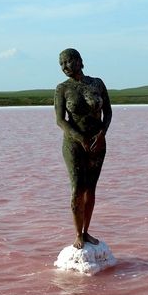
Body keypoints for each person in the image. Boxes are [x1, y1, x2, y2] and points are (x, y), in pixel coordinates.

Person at [54, 48, 112, 249]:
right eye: (61, 64)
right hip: (73, 144)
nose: (64, 68)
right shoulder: (62, 88)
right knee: (77, 188)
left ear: (79, 61)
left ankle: (86, 232)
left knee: (91, 189)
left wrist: (102, 133)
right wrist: (79, 138)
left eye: (67, 62)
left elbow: (108, 113)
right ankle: (78, 234)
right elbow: (60, 120)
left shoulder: (97, 83)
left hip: (98, 143)